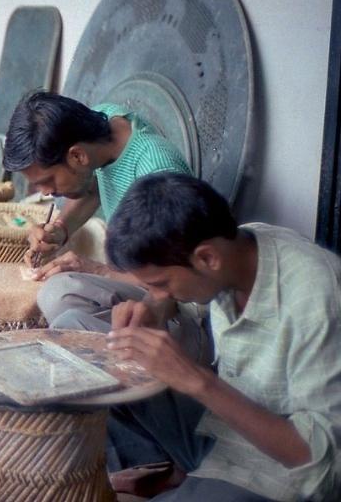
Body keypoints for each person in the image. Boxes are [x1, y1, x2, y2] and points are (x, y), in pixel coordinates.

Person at [104, 173, 341, 501]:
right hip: (221, 432)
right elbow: (174, 297)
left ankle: (186, 487)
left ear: (207, 259)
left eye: (160, 283)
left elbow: (318, 461)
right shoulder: (236, 248)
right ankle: (167, 473)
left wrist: (198, 382)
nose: (157, 293)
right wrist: (152, 311)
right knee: (104, 379)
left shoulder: (317, 297)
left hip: (280, 471)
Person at [2, 92, 199, 346]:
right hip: (138, 280)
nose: (46, 193)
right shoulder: (100, 126)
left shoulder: (156, 172)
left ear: (77, 156)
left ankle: (156, 371)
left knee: (66, 316)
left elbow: (178, 278)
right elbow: (93, 186)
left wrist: (97, 270)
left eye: (47, 181)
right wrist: (60, 229)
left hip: (177, 307)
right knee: (58, 296)